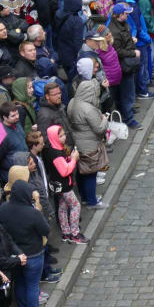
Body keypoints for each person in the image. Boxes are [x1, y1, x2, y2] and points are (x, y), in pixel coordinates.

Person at [0, 180, 52, 307]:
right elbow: (45, 230)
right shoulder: (32, 213)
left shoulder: (3, 209)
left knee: (20, 283)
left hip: (14, 256)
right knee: (32, 285)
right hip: (33, 254)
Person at [66, 77, 109, 210]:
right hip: (89, 144)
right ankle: (92, 201)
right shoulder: (88, 109)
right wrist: (105, 119)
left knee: (81, 172)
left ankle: (85, 198)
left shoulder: (73, 102)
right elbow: (99, 128)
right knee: (91, 173)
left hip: (77, 142)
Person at [43, 127, 85, 244]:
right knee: (75, 206)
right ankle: (75, 233)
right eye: (60, 136)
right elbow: (64, 171)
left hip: (57, 185)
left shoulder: (49, 149)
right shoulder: (56, 154)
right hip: (64, 185)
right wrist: (74, 159)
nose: (64, 137)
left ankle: (66, 232)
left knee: (62, 207)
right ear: (54, 137)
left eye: (63, 135)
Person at [0, 104, 27, 186]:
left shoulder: (17, 124)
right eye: (13, 115)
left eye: (17, 114)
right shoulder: (2, 135)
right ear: (4, 117)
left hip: (23, 170)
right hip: (10, 176)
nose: (17, 116)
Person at [35, 82, 73, 152]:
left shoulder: (60, 106)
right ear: (47, 96)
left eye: (59, 93)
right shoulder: (44, 115)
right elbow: (46, 140)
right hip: (61, 153)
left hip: (69, 148)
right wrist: (61, 152)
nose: (59, 96)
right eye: (55, 94)